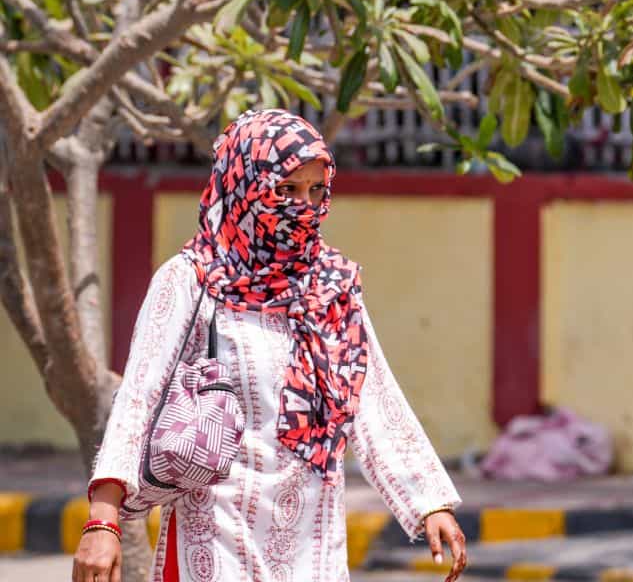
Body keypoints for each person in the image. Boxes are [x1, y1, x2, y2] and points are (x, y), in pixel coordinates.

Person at [73, 110, 468, 582]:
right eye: (286, 191)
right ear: (246, 186)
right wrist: (103, 518)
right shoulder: (192, 280)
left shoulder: (329, 287)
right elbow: (139, 398)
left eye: (315, 191)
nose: (303, 207)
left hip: (312, 544)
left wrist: (428, 504)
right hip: (213, 538)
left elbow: (373, 397)